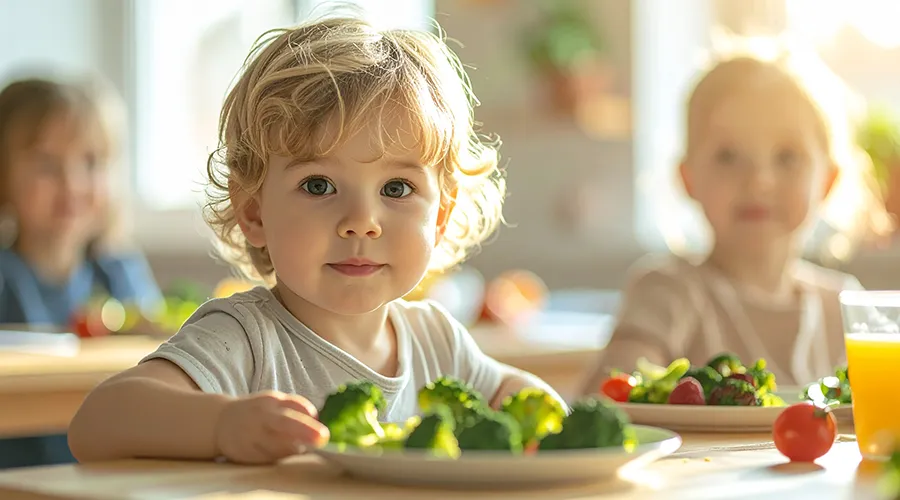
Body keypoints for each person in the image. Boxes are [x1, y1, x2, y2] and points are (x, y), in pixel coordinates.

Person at [68, 15, 564, 464]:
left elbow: (515, 397)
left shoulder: (436, 340)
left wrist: (556, 417)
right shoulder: (245, 337)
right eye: (319, 186)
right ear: (254, 211)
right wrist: (221, 424)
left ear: (441, 216)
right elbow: (98, 423)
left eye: (397, 188)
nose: (361, 222)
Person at [583, 42, 893, 392]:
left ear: (828, 180)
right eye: (728, 156)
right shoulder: (669, 293)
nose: (759, 180)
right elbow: (608, 403)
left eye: (787, 157)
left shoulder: (843, 308)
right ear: (687, 178)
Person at [0, 76, 163, 468]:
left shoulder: (119, 271)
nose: (72, 184)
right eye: (45, 164)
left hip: (110, 473)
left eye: (90, 162)